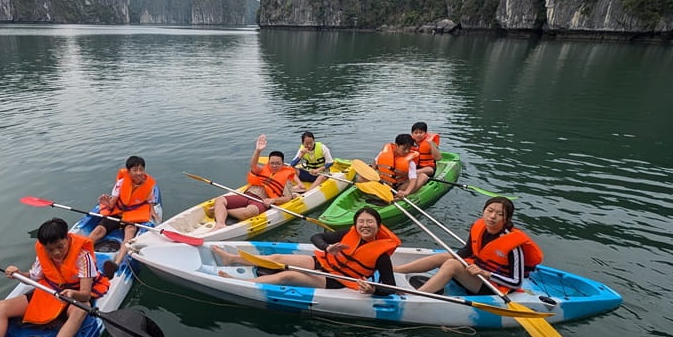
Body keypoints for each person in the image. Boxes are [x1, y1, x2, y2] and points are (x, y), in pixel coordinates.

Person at [213, 207, 400, 293]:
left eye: (370, 222)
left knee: (288, 276)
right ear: (355, 224)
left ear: (378, 225)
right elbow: (316, 238)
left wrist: (373, 290)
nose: (365, 226)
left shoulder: (382, 255)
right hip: (324, 263)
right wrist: (328, 247)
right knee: (278, 257)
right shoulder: (349, 233)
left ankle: (241, 283)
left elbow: (390, 287)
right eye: (361, 222)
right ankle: (232, 258)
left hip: (339, 279)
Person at [393, 197, 543, 295]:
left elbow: (516, 282)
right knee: (447, 256)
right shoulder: (480, 227)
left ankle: (417, 295)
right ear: (484, 211)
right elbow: (468, 251)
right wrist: (452, 257)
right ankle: (397, 270)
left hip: (493, 286)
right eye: (489, 211)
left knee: (452, 264)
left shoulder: (514, 246)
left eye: (499, 214)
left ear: (507, 218)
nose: (492, 216)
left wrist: (486, 274)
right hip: (476, 273)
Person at [212, 134, 302, 230]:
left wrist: (273, 200)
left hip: (261, 201)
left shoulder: (286, 178)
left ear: (282, 164)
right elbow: (253, 165)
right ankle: (220, 224)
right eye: (272, 163)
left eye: (278, 163)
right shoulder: (262, 170)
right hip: (247, 195)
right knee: (220, 200)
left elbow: (287, 198)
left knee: (249, 212)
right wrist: (258, 150)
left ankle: (224, 211)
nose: (274, 166)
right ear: (268, 162)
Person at [88, 155, 159, 275]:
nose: (139, 173)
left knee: (130, 231)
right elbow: (112, 205)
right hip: (118, 212)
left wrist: (154, 214)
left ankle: (116, 263)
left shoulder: (148, 185)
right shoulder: (121, 184)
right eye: (135, 170)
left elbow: (150, 202)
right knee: (99, 229)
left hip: (134, 214)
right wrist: (107, 202)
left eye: (141, 169)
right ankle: (80, 250)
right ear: (129, 172)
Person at [374, 133, 428, 199]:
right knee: (361, 177)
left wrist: (406, 192)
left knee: (423, 176)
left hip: (399, 188)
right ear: (396, 145)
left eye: (409, 149)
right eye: (404, 149)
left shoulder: (410, 162)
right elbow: (375, 163)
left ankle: (400, 196)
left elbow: (413, 179)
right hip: (383, 184)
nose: (407, 151)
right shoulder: (384, 154)